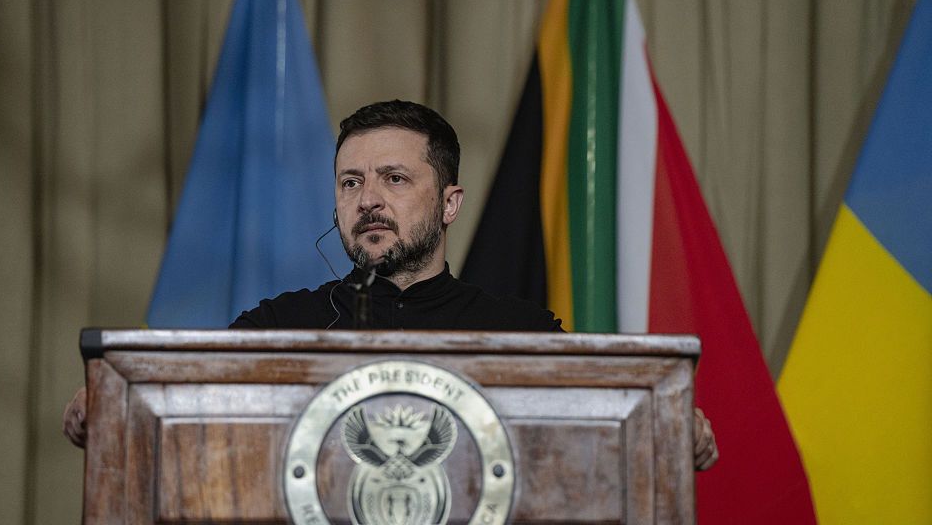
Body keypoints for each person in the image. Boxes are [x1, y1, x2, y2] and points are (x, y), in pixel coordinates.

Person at [63, 100, 718, 470]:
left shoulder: (524, 333)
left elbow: (598, 425)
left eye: (395, 179)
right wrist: (117, 404)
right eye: (351, 182)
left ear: (450, 203)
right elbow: (184, 405)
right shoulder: (275, 326)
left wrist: (662, 423)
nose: (368, 199)